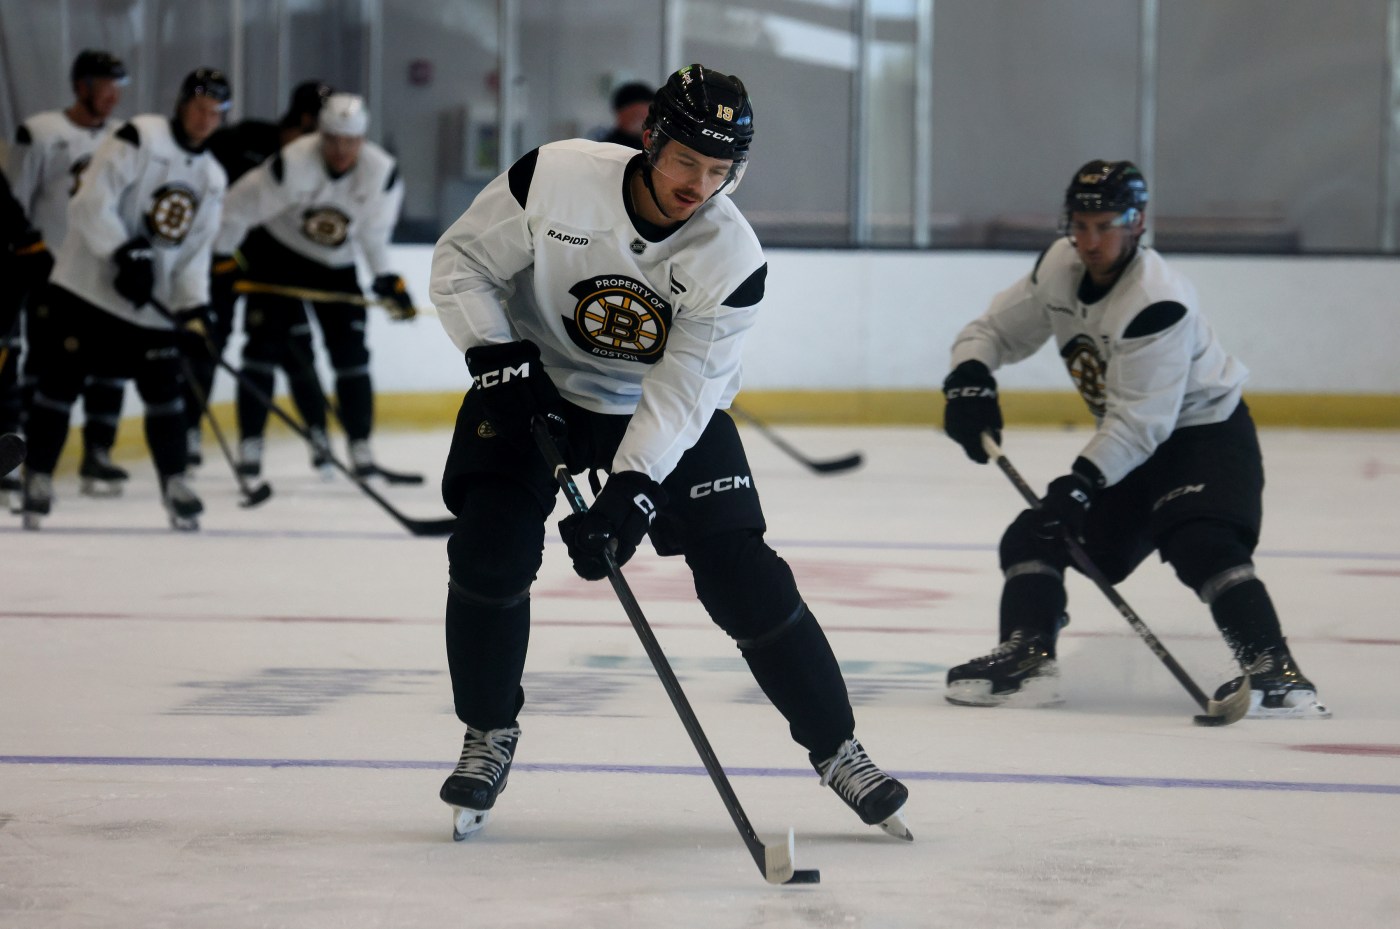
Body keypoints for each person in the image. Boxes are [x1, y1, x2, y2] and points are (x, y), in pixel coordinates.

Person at [429, 63, 911, 841]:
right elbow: (463, 262)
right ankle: (488, 731)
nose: (699, 185)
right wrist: (494, 354)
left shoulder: (732, 257)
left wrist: (633, 490)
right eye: (687, 160)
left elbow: (686, 388)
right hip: (535, 384)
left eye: (721, 170)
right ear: (650, 140)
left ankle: (837, 747)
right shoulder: (555, 177)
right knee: (490, 548)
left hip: (653, 405)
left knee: (742, 572)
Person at [939, 159, 1329, 720]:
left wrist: (1079, 484)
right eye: (1080, 225)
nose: (1090, 242)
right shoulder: (1060, 266)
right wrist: (970, 377)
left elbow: (1141, 423)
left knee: (1201, 540)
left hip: (1204, 436)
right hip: (1131, 445)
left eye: (1105, 226)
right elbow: (992, 331)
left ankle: (1276, 668)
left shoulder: (1156, 300)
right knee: (1036, 535)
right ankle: (1030, 657)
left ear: (1137, 223)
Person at [20, 68, 231, 531]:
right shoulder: (140, 137)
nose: (205, 119)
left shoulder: (212, 178)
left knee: (165, 395)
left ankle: (175, 484)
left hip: (148, 304)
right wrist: (122, 251)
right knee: (58, 388)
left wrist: (194, 307)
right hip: (86, 289)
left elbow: (193, 255)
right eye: (199, 108)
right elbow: (90, 202)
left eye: (215, 113)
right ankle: (37, 476)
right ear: (182, 105)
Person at [212, 92, 419, 483]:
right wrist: (221, 258)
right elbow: (236, 208)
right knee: (261, 352)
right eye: (333, 140)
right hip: (280, 257)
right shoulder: (292, 163)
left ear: (362, 139)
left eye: (350, 141)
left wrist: (385, 278)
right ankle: (250, 446)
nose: (341, 150)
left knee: (352, 355)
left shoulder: (382, 172)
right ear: (320, 135)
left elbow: (374, 235)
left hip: (336, 266)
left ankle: (361, 449)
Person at [5, 49, 132, 496]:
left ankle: (98, 453)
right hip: (50, 272)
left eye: (119, 86)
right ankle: (24, 458)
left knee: (110, 364)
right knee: (42, 367)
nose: (113, 95)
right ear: (82, 86)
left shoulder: (124, 138)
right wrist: (26, 253)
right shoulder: (41, 133)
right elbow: (14, 199)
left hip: (102, 273)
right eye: (105, 85)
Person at [187, 79, 333, 466]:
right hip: (220, 262)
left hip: (273, 269)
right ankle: (188, 431)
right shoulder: (242, 140)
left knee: (292, 350)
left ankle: (318, 435)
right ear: (305, 120)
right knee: (207, 344)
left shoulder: (314, 162)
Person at [599, 80, 654, 149]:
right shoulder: (609, 148)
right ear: (620, 114)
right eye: (636, 115)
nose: (642, 121)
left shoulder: (655, 144)